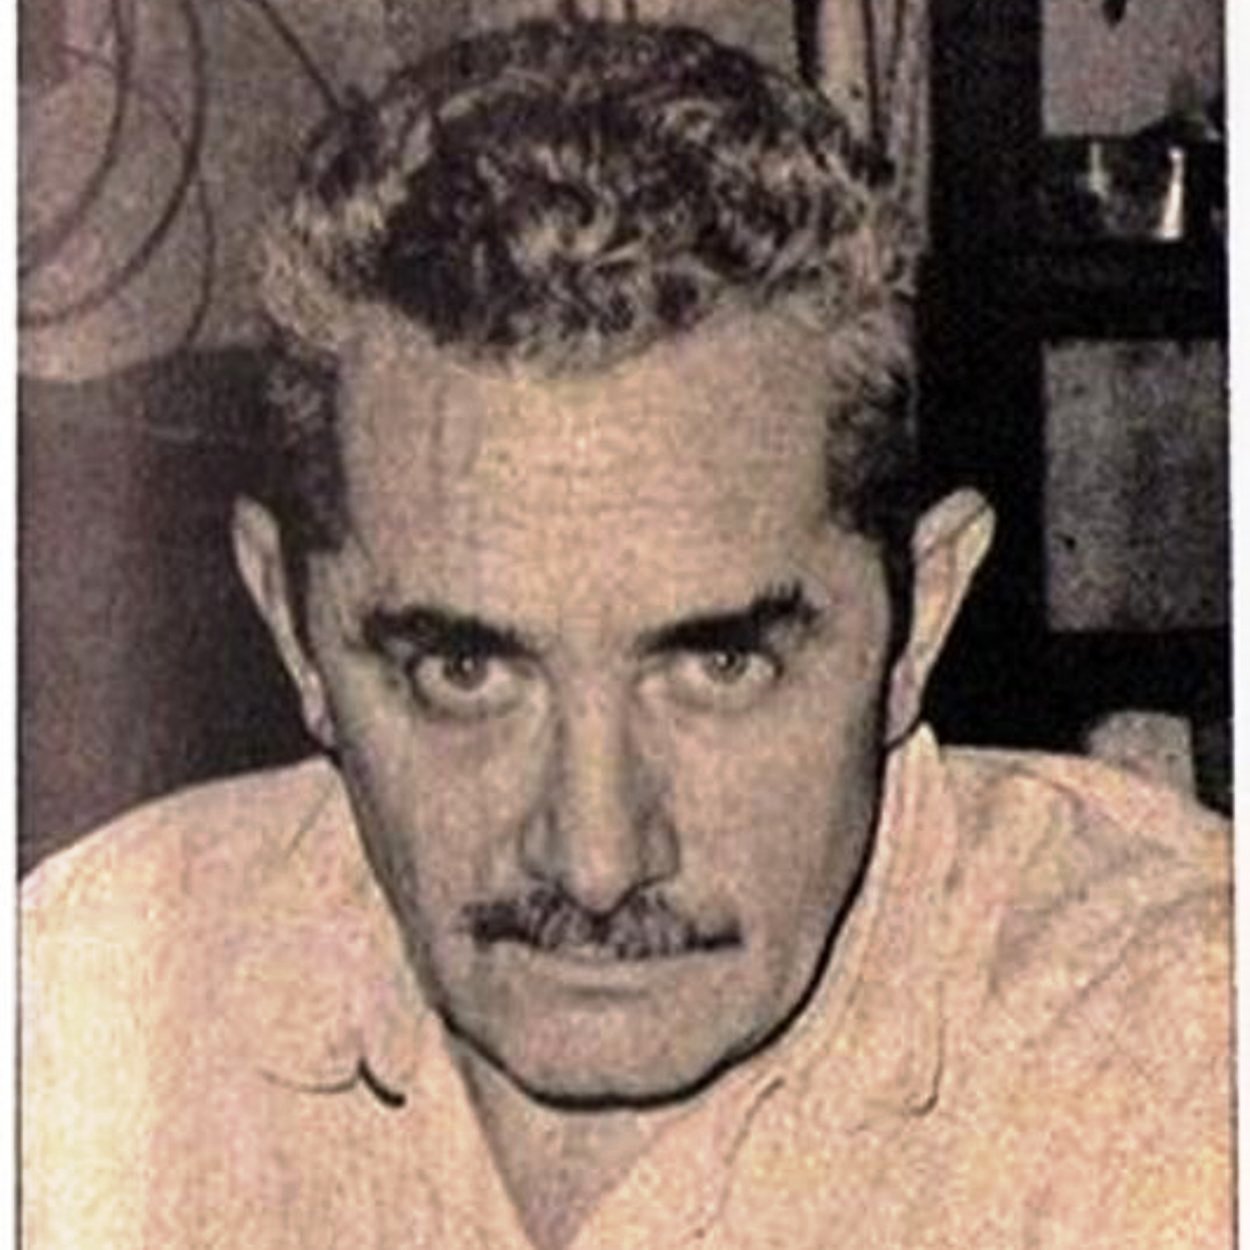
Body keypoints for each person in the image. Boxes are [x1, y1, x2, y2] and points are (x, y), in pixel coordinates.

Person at [21, 18, 1231, 1250]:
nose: (595, 861)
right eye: (462, 670)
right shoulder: (80, 998)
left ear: (916, 621)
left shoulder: (1184, 1052)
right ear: (292, 626)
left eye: (719, 664)